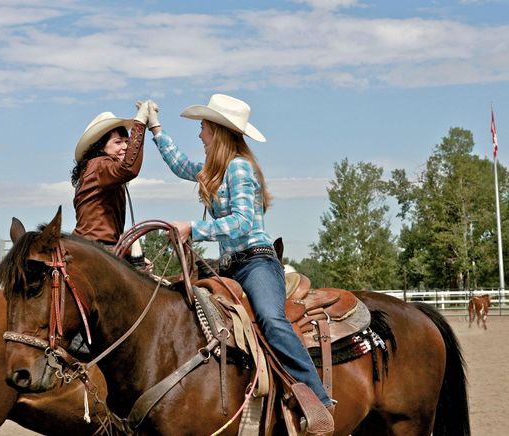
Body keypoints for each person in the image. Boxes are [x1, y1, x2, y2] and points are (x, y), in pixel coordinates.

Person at [146, 94, 336, 416]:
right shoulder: (213, 168)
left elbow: (243, 222)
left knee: (271, 319)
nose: (199, 134)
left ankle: (318, 399)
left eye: (203, 127)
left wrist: (193, 228)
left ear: (217, 131)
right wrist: (156, 128)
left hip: (255, 261)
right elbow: (179, 165)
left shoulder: (238, 168)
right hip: (229, 267)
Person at [71, 102, 150, 248]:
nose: (125, 147)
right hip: (94, 248)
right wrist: (139, 124)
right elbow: (129, 169)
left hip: (93, 246)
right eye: (118, 142)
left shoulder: (98, 168)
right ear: (100, 145)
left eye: (127, 141)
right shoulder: (100, 165)